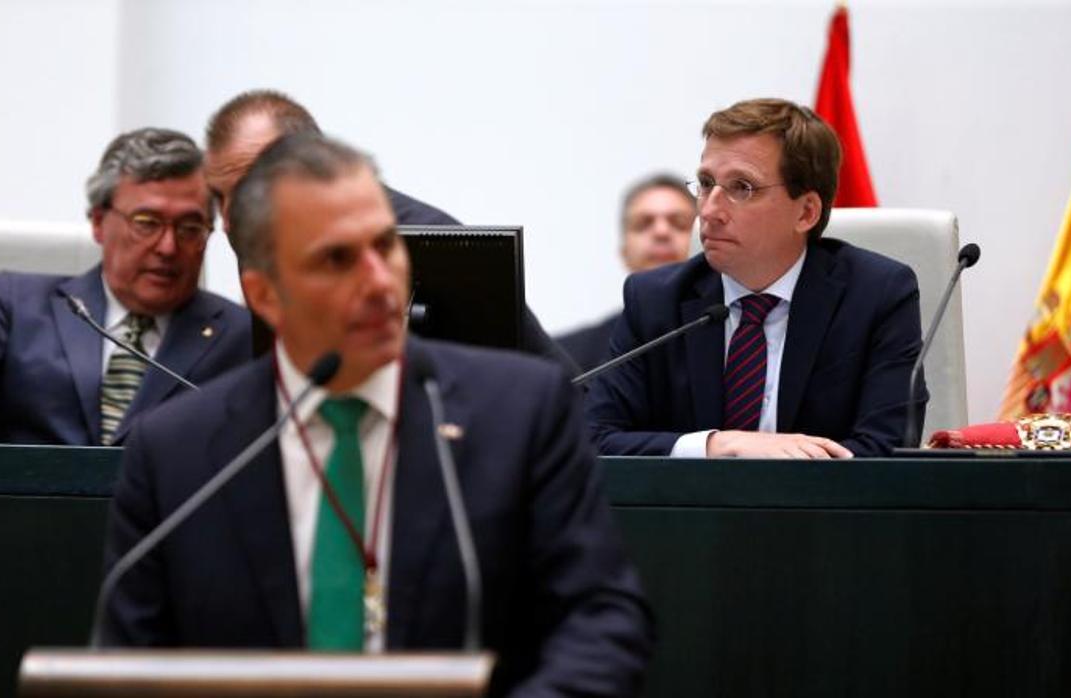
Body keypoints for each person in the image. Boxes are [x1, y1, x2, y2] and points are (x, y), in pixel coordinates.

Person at [103, 133, 652, 696]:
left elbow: (602, 623)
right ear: (264, 295)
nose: (379, 280)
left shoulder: (519, 414)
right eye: (336, 259)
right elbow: (130, 662)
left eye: (385, 244)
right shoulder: (176, 454)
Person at [587, 98, 925, 458]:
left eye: (741, 187)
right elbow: (592, 439)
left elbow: (886, 450)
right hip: (690, 498)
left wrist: (780, 472)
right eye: (706, 183)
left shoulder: (876, 295)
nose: (709, 211)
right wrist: (717, 444)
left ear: (806, 212)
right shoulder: (656, 299)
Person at [0, 128, 252, 445]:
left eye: (190, 228)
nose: (168, 247)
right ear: (98, 222)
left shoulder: (242, 336)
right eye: (146, 222)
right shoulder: (19, 305)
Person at [204, 89, 578, 371]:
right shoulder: (263, 233)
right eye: (220, 198)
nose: (228, 221)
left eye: (247, 190)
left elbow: (557, 393)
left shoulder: (436, 241)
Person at [558, 173, 696, 372]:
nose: (661, 232)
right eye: (643, 224)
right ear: (624, 252)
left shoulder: (732, 342)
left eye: (679, 223)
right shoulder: (570, 357)